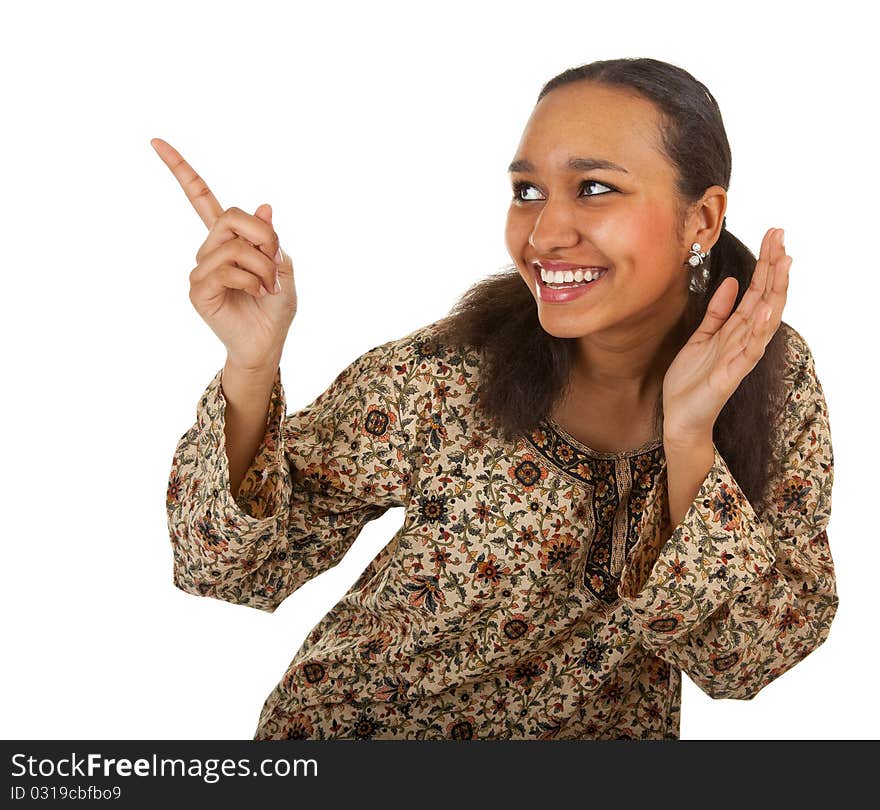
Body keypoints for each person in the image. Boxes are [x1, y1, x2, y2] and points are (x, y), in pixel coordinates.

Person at [159, 57, 838, 740]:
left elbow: (750, 659)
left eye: (595, 187)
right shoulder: (449, 375)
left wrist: (689, 441)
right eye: (527, 191)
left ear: (703, 217)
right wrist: (251, 365)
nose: (543, 235)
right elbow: (227, 569)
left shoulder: (766, 375)